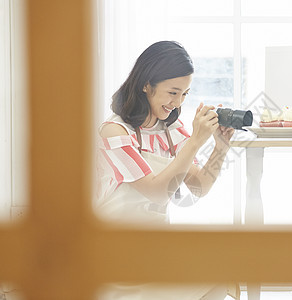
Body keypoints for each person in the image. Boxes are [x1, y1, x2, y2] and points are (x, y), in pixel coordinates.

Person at [95, 41, 237, 300]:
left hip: (153, 249)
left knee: (219, 275)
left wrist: (221, 147)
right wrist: (195, 141)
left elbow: (200, 188)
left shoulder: (170, 131)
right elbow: (157, 193)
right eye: (173, 92)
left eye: (184, 93)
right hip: (114, 254)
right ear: (146, 84)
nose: (178, 101)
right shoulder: (114, 132)